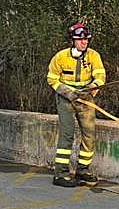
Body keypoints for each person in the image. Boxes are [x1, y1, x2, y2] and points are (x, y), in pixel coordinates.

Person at [46, 22, 107, 187]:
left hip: (85, 98)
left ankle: (83, 170)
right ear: (72, 40)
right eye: (80, 40)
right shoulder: (61, 57)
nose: (84, 42)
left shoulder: (93, 56)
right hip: (65, 99)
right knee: (67, 134)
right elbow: (52, 78)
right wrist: (67, 93)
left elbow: (100, 76)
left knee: (89, 134)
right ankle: (61, 174)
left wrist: (91, 89)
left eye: (86, 39)